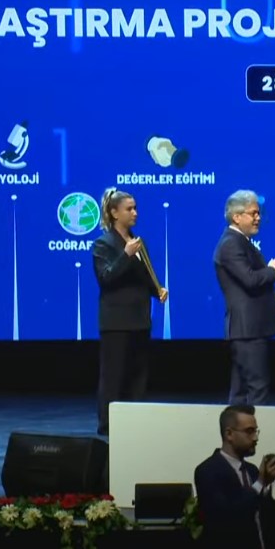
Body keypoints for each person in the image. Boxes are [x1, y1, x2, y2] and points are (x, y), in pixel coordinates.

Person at [92, 187, 168, 436]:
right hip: (116, 322)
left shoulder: (138, 242)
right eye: (129, 209)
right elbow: (106, 278)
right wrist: (125, 255)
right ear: (114, 213)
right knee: (114, 376)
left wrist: (157, 289)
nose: (135, 213)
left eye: (135, 208)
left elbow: (144, 276)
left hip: (139, 319)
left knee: (137, 375)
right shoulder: (104, 244)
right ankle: (108, 424)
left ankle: (134, 420)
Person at [213, 190, 275, 405]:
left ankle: (238, 426)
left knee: (241, 391)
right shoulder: (231, 244)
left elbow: (256, 278)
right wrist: (274, 268)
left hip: (251, 329)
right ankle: (253, 427)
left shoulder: (241, 241)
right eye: (253, 213)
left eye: (259, 213)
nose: (258, 218)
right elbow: (250, 280)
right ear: (236, 217)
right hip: (247, 330)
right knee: (257, 387)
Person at [193, 405, 275, 549]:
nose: (255, 438)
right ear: (229, 434)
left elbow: (270, 519)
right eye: (249, 431)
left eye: (256, 431)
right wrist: (260, 483)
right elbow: (226, 518)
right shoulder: (207, 471)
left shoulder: (252, 471)